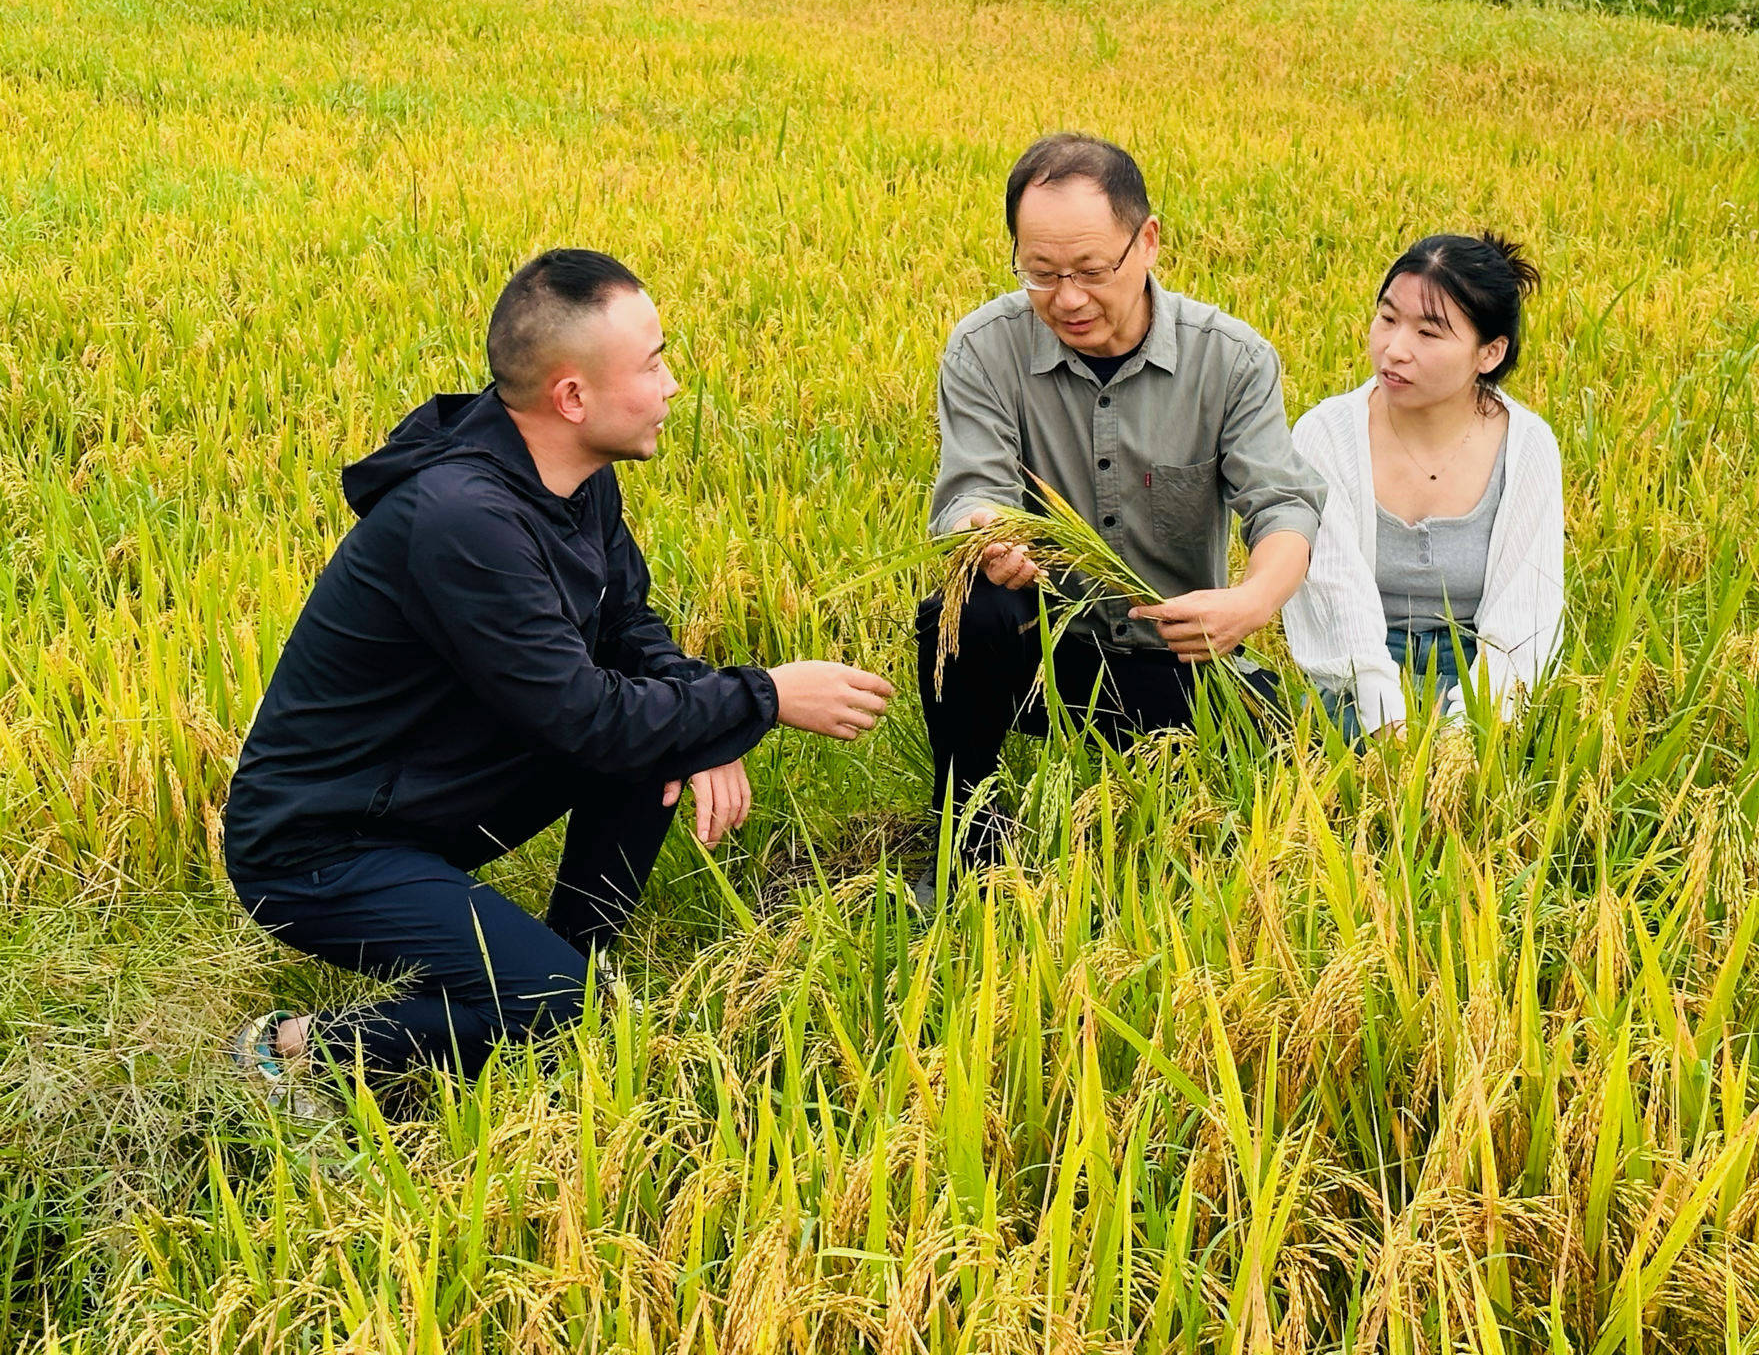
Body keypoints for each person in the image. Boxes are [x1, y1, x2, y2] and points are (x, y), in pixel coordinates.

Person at [225, 249, 894, 1096]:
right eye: (653, 363)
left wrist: (707, 721)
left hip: (432, 793)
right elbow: (584, 715)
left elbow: (625, 628)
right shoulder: (464, 521)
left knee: (657, 745)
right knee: (558, 1007)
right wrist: (762, 697)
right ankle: (292, 1050)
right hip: (319, 846)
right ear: (572, 397)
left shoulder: (574, 478)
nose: (673, 384)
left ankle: (567, 969)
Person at [917, 133, 1326, 851]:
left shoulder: (1231, 361)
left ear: (1149, 243)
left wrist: (1250, 603)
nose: (1068, 298)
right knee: (968, 612)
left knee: (1274, 757)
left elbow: (1282, 506)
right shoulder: (984, 348)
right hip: (1040, 656)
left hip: (1171, 654)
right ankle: (967, 835)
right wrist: (989, 535)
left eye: (1091, 269)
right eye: (1039, 273)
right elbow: (969, 492)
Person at [1282, 233, 1564, 740]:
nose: (1395, 349)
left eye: (1428, 334)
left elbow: (1524, 622)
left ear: (1490, 353)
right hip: (1353, 668)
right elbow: (1334, 601)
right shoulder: (1326, 435)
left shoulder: (1528, 449)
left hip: (1476, 662)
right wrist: (1389, 726)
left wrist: (1463, 734)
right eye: (1388, 319)